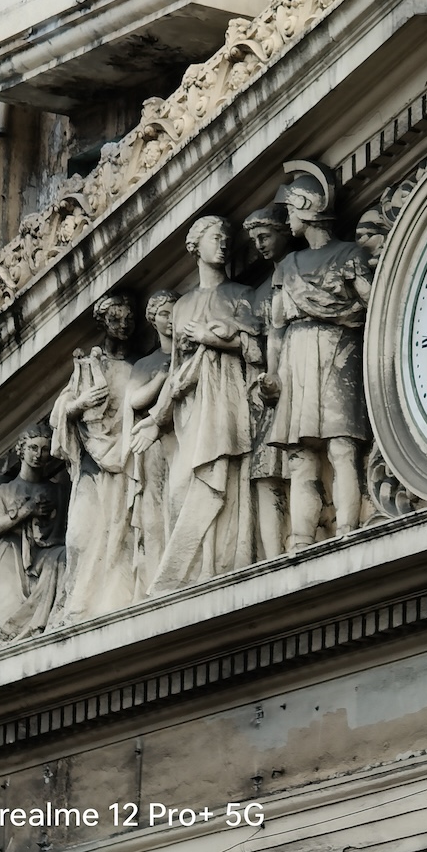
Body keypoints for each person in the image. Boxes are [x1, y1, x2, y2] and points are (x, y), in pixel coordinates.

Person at [134, 217, 261, 593]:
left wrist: (213, 339)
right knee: (179, 489)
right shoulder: (182, 306)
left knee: (220, 475)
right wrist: (157, 420)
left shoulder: (242, 295)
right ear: (195, 247)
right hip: (189, 409)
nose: (222, 245)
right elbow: (175, 372)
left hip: (226, 399)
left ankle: (214, 566)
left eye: (226, 238)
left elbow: (256, 350)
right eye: (215, 238)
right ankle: (190, 569)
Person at [261, 162, 373, 552]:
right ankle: (302, 538)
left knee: (342, 446)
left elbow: (374, 304)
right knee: (301, 457)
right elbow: (276, 328)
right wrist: (272, 373)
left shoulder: (349, 254)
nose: (287, 220)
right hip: (298, 355)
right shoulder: (286, 267)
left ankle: (346, 528)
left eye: (291, 211)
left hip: (339, 351)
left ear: (307, 208)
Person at [51, 292, 137, 621]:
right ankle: (77, 605)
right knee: (78, 538)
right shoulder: (88, 367)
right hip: (91, 466)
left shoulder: (135, 368)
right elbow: (61, 413)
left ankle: (109, 600)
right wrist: (82, 403)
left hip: (123, 464)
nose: (124, 325)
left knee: (118, 534)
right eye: (115, 319)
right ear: (102, 322)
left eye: (128, 319)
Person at [0, 427, 67, 646]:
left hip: (45, 553)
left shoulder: (58, 491)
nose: (38, 454)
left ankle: (53, 618)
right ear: (21, 450)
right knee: (7, 619)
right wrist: (26, 512)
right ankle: (14, 630)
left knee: (63, 557)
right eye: (32, 448)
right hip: (10, 558)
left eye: (45, 449)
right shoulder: (3, 492)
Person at [242, 206, 293, 559]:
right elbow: (253, 350)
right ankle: (272, 553)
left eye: (265, 236)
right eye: (255, 240)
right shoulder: (259, 296)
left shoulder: (302, 273)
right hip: (267, 392)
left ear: (285, 231)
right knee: (266, 467)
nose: (259, 245)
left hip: (303, 376)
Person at [125, 290, 178, 597]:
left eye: (173, 313)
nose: (169, 321)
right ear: (153, 320)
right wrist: (161, 379)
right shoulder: (146, 364)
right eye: (164, 315)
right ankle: (155, 574)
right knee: (154, 511)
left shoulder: (186, 350)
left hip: (179, 435)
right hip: (152, 445)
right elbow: (134, 400)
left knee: (176, 500)